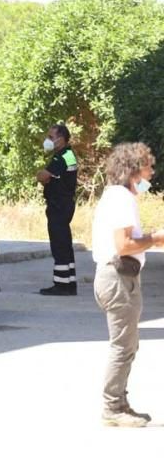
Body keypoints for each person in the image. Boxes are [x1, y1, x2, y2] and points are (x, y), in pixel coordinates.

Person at [91, 142, 164, 427]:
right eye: (149, 166)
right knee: (122, 346)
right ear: (134, 169)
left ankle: (120, 403)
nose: (151, 173)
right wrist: (156, 239)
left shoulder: (117, 197)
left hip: (121, 277)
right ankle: (112, 407)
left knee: (128, 345)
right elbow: (123, 245)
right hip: (118, 277)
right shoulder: (121, 198)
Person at [36, 123, 79, 295]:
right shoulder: (69, 155)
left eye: (51, 137)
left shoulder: (61, 157)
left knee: (59, 245)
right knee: (65, 245)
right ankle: (69, 282)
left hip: (59, 205)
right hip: (64, 204)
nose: (48, 140)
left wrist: (43, 175)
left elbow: (43, 176)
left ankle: (62, 285)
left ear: (61, 139)